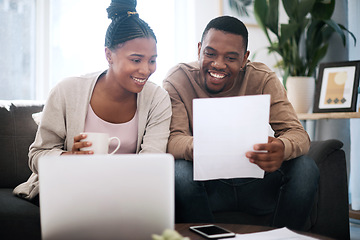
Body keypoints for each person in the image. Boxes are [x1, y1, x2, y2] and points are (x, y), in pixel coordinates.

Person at [163, 16, 319, 231]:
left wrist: (282, 148)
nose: (218, 64)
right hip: (207, 185)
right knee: (179, 171)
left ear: (245, 58)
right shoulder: (178, 80)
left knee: (305, 167)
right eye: (210, 53)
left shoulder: (262, 78)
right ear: (199, 49)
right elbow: (174, 140)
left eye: (230, 57)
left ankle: (282, 237)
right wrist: (204, 146)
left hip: (256, 181)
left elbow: (297, 133)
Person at [13, 0, 172, 205]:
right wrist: (69, 158)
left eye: (152, 60)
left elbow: (153, 165)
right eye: (136, 60)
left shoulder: (157, 99)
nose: (146, 70)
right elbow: (37, 155)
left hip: (129, 192)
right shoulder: (67, 91)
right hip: (72, 187)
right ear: (109, 55)